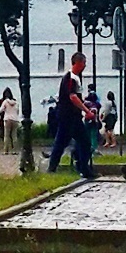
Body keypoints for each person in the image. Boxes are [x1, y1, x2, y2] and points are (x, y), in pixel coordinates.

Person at [47, 52, 96, 180]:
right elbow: (73, 97)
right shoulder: (70, 78)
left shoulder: (75, 78)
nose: (85, 65)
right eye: (84, 63)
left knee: (82, 142)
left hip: (74, 117)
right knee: (63, 142)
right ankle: (53, 168)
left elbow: (77, 97)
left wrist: (86, 106)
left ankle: (83, 168)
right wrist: (87, 111)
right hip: (68, 117)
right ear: (78, 62)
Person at [0, 89, 20, 154]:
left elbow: (0, 110)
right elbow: (17, 111)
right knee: (14, 136)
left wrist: (4, 111)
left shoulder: (5, 102)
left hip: (7, 119)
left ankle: (6, 151)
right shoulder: (16, 102)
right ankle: (15, 150)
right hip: (15, 119)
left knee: (6, 136)